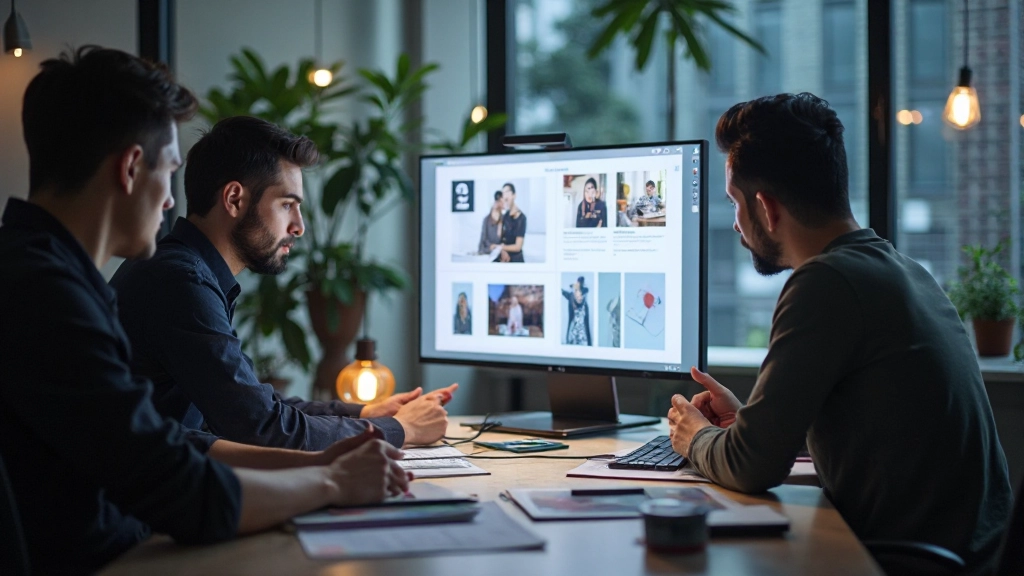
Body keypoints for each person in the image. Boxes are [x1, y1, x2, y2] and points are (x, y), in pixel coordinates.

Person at [0, 46, 408, 574]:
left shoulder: (41, 273)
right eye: (169, 172)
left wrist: (316, 460)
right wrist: (331, 481)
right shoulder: (49, 297)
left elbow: (161, 438)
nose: (171, 201)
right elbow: (179, 489)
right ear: (129, 167)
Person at [665, 93, 1012, 572]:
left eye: (733, 204)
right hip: (969, 557)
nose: (737, 226)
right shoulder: (901, 268)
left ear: (765, 207)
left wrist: (693, 437)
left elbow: (752, 468)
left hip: (909, 566)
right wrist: (746, 425)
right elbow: (869, 442)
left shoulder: (825, 282)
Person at [109, 116, 455, 451]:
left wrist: (366, 413)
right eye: (287, 204)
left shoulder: (184, 270)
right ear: (234, 199)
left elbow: (253, 402)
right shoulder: (180, 281)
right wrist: (401, 429)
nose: (299, 226)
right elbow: (261, 427)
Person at [491, 182, 526, 262]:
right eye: (503, 193)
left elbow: (518, 247)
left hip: (515, 259)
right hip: (503, 256)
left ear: (514, 195)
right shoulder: (505, 215)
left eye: (507, 192)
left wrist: (499, 247)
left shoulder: (521, 218)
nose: (504, 195)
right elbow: (500, 237)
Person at [561, 276, 592, 346]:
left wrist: (576, 286)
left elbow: (586, 290)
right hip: (574, 330)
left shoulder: (584, 292)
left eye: (580, 296)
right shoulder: (571, 296)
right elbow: (565, 292)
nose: (580, 297)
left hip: (582, 333)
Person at [478, 190, 503, 254]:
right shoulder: (486, 220)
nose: (498, 203)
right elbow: (483, 239)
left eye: (500, 201)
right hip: (488, 250)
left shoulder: (504, 219)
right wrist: (491, 246)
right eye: (497, 201)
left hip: (500, 250)